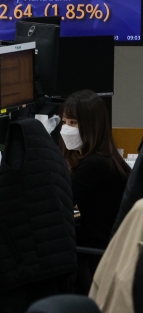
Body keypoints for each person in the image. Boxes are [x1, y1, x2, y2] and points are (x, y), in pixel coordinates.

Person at [59, 90, 130, 294]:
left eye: (73, 123)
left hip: (100, 255)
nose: (66, 129)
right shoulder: (106, 157)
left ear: (91, 126)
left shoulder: (94, 165)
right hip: (109, 248)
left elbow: (63, 201)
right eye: (64, 122)